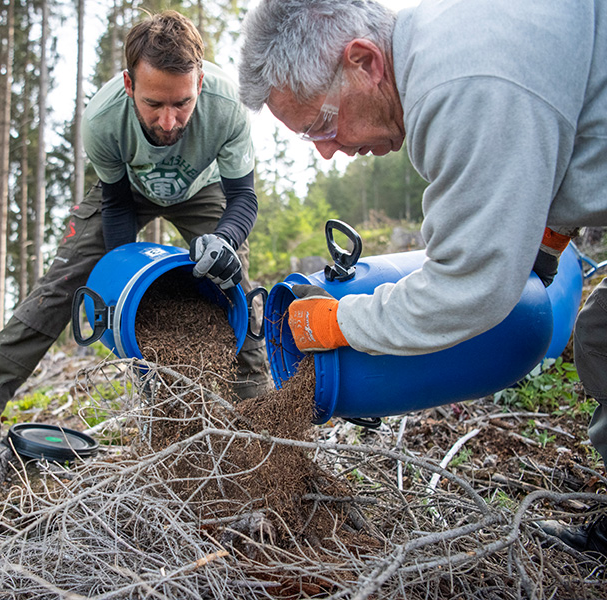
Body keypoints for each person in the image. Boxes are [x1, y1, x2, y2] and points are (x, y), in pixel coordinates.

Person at [238, 0, 607, 557]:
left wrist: (341, 320)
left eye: (323, 124)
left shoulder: (460, 88)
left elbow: (468, 288)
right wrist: (549, 234)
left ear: (364, 61)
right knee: (602, 341)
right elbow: (569, 132)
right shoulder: (448, 51)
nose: (329, 152)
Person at [0, 10, 272, 457]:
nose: (169, 122)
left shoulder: (228, 108)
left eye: (182, 104)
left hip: (203, 189)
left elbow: (243, 199)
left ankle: (259, 413)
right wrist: (127, 276)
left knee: (232, 283)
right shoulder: (104, 118)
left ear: (200, 83)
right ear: (130, 85)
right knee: (60, 286)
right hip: (128, 189)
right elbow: (115, 204)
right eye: (154, 104)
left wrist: (224, 241)